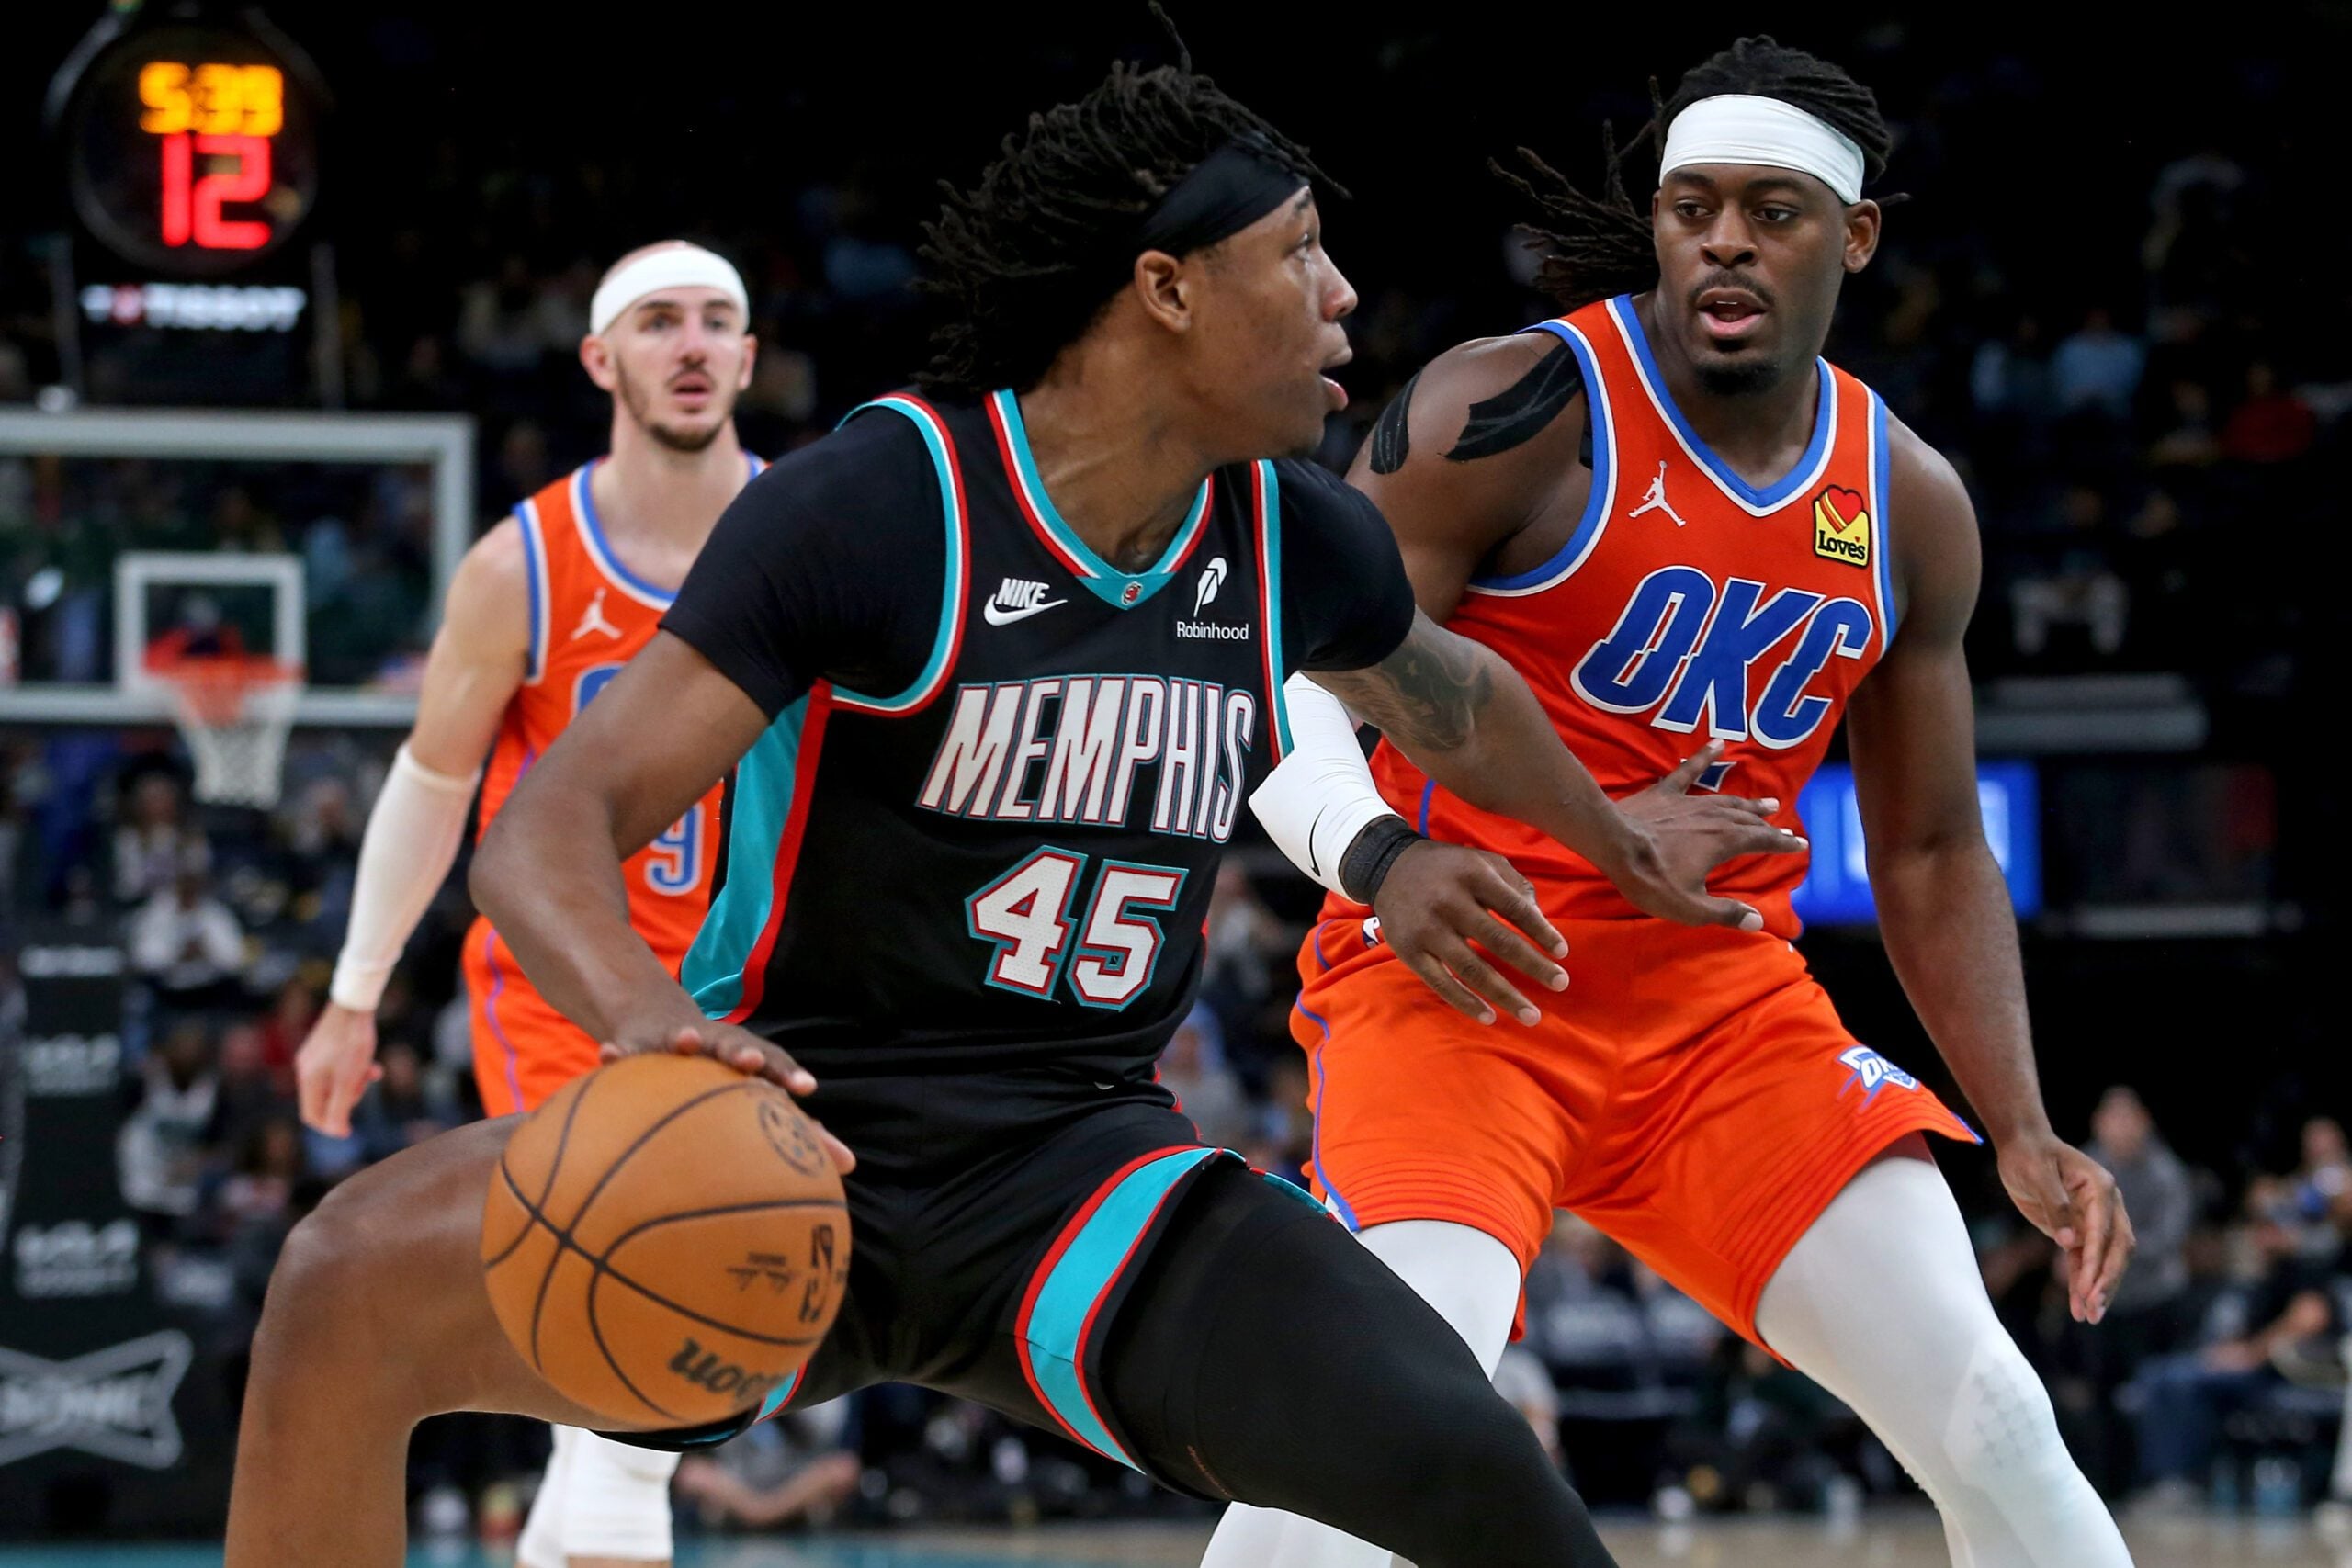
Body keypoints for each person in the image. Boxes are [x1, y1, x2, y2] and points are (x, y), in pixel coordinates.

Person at [226, 46, 1798, 1568]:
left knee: (1472, 1469)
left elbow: (1453, 700)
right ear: (1166, 288)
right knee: (337, 1287)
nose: (1341, 301)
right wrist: (647, 1027)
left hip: (1082, 1172)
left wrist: (1613, 835)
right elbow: (542, 832)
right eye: (1300, 255)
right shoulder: (879, 506)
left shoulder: (1292, 538)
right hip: (793, 1145)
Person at [1219, 37, 2138, 1568]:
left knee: (1995, 1418)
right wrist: (1377, 861)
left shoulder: (1906, 501)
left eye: (1771, 211)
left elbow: (1922, 848)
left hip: (1720, 1017)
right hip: (1467, 980)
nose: (1722, 238)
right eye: (1691, 205)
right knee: (1381, 1433)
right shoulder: (1509, 409)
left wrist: (2022, 1123)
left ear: (1854, 239)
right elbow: (1279, 677)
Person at [288, 238, 767, 1568]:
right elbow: (432, 784)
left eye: (716, 321)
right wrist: (353, 998)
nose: (689, 344)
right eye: (658, 320)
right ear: (599, 358)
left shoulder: (814, 537)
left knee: (647, 1387)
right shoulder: (523, 567)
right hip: (573, 995)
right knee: (635, 1331)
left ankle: (574, 1525)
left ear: (747, 356)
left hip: (760, 991)